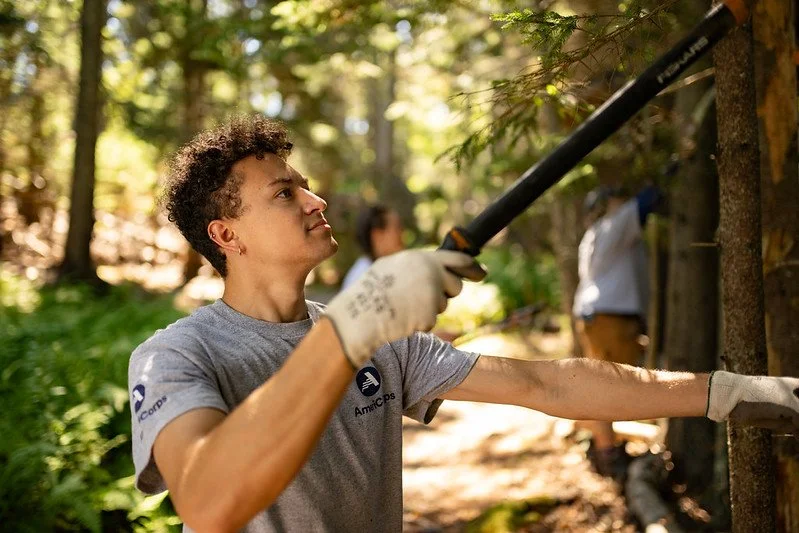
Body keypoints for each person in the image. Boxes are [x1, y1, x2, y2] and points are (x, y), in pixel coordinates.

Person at [129, 115, 799, 533]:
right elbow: (208, 500)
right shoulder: (175, 356)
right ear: (226, 234)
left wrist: (722, 391)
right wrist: (351, 330)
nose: (316, 199)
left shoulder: (376, 341)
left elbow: (549, 386)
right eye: (285, 192)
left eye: (305, 184)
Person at [572, 184, 662, 478]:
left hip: (596, 316)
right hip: (610, 317)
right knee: (611, 386)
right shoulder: (614, 224)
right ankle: (608, 454)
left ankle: (605, 449)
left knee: (602, 383)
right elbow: (648, 199)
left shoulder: (595, 234)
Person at [341, 203, 404, 289]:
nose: (402, 233)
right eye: (397, 228)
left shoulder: (386, 270)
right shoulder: (362, 280)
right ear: (377, 236)